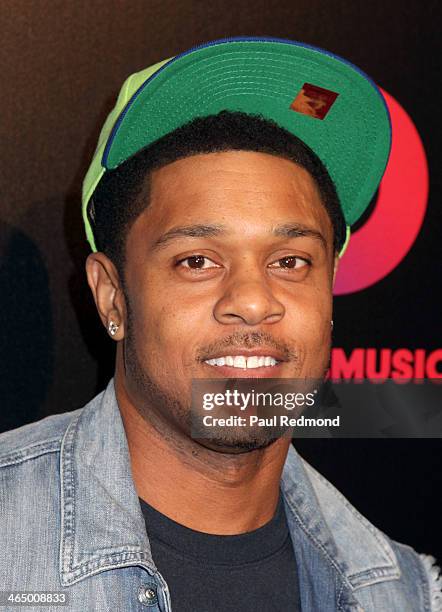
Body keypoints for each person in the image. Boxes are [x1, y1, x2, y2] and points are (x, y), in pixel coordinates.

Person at [0, 36, 440, 612]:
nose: (255, 302)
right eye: (197, 261)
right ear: (112, 297)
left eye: (290, 262)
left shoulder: (399, 590)